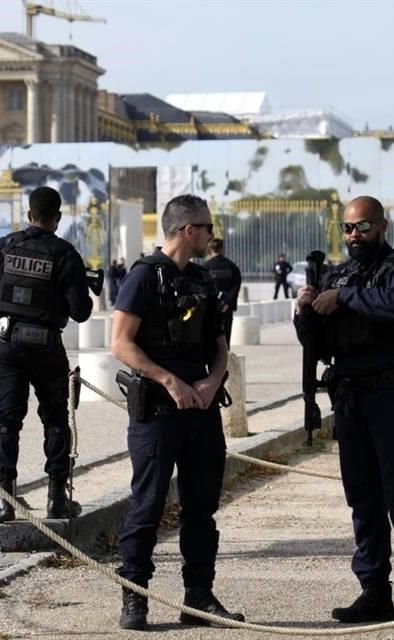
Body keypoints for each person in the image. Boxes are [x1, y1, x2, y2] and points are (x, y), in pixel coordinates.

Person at [294, 195, 394, 629]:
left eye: (363, 227)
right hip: (352, 400)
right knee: (364, 501)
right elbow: (319, 345)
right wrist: (306, 309)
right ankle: (374, 592)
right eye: (348, 229)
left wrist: (344, 296)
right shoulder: (338, 274)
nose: (355, 236)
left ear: (382, 225)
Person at [111, 194, 244, 630]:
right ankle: (136, 597)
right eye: (206, 227)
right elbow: (121, 343)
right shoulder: (144, 277)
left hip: (201, 411)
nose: (211, 235)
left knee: (201, 509)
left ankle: (198, 597)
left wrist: (212, 381)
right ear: (189, 230)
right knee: (147, 507)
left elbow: (220, 346)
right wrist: (169, 380)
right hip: (157, 413)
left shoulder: (204, 281)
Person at [0, 186, 93, 524]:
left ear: (29, 215)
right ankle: (57, 500)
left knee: (7, 422)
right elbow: (81, 312)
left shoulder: (9, 245)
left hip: (9, 346)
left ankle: (2, 502)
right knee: (55, 421)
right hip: (47, 348)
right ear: (58, 217)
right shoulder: (66, 254)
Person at [204, 238, 243, 347]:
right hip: (227, 308)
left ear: (210, 250)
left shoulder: (205, 267)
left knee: (211, 337)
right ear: (222, 249)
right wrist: (227, 303)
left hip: (211, 308)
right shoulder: (232, 267)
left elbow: (204, 289)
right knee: (226, 337)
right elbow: (235, 288)